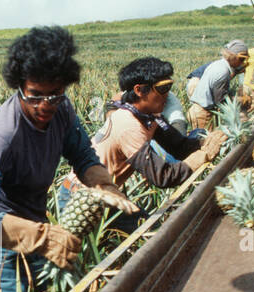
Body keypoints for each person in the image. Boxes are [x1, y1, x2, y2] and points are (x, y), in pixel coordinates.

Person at [0, 26, 136, 292]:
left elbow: (82, 153)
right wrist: (44, 238)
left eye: (55, 95)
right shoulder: (1, 138)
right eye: (35, 95)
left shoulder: (61, 109)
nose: (45, 105)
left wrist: (103, 184)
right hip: (2, 248)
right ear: (19, 86)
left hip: (39, 229)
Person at [64, 58, 225, 197]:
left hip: (105, 192)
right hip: (80, 195)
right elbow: (162, 176)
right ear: (139, 90)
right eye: (162, 88)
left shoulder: (148, 116)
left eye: (169, 86)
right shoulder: (129, 126)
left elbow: (178, 146)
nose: (167, 94)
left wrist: (204, 142)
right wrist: (201, 156)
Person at [187, 40, 249, 129]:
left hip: (198, 110)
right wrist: (239, 100)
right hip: (202, 114)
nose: (242, 63)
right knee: (206, 142)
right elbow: (220, 101)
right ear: (233, 56)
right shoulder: (223, 71)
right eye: (241, 59)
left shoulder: (218, 64)